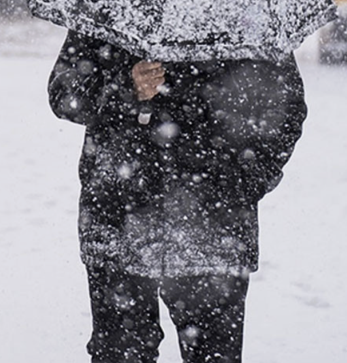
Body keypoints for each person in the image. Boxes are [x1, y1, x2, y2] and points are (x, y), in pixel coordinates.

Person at [48, 30, 307, 363]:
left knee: (213, 356)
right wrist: (125, 87)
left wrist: (242, 184)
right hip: (119, 219)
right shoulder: (112, 1)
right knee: (120, 355)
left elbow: (285, 108)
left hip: (213, 229)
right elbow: (64, 93)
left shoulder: (244, 10)